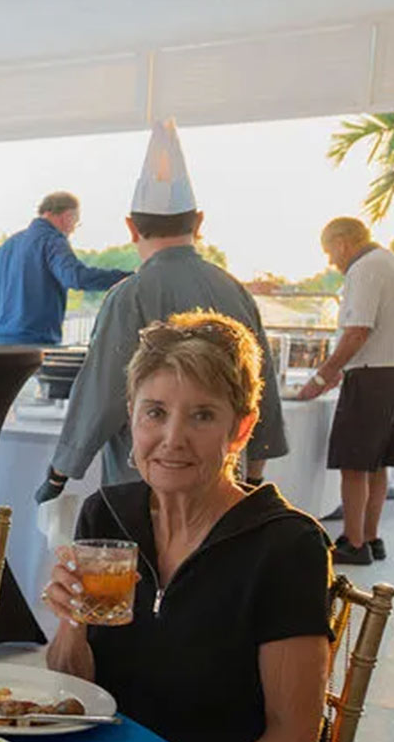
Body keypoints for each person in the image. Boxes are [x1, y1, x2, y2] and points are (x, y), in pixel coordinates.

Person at [44, 311, 330, 742]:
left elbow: (295, 739)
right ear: (132, 417)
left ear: (241, 429)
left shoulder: (284, 546)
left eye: (202, 415)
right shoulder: (107, 515)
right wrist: (72, 623)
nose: (173, 438)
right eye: (155, 412)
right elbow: (75, 691)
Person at [38, 120, 287, 503]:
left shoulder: (129, 295)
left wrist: (60, 473)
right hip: (221, 479)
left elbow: (103, 393)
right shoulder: (234, 290)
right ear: (199, 223)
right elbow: (261, 386)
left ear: (130, 227)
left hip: (146, 484)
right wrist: (253, 475)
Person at [294, 216, 394, 565]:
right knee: (377, 463)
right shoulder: (388, 261)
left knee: (353, 464)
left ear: (342, 242)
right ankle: (371, 537)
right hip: (389, 375)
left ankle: (353, 543)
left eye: (329, 252)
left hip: (369, 378)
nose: (331, 261)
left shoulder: (363, 268)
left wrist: (322, 376)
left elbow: (357, 332)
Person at [0, 191, 130, 346]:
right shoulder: (52, 240)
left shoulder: (7, 246)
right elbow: (76, 277)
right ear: (67, 216)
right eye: (75, 222)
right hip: (34, 343)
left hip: (0, 343)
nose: (73, 229)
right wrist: (127, 278)